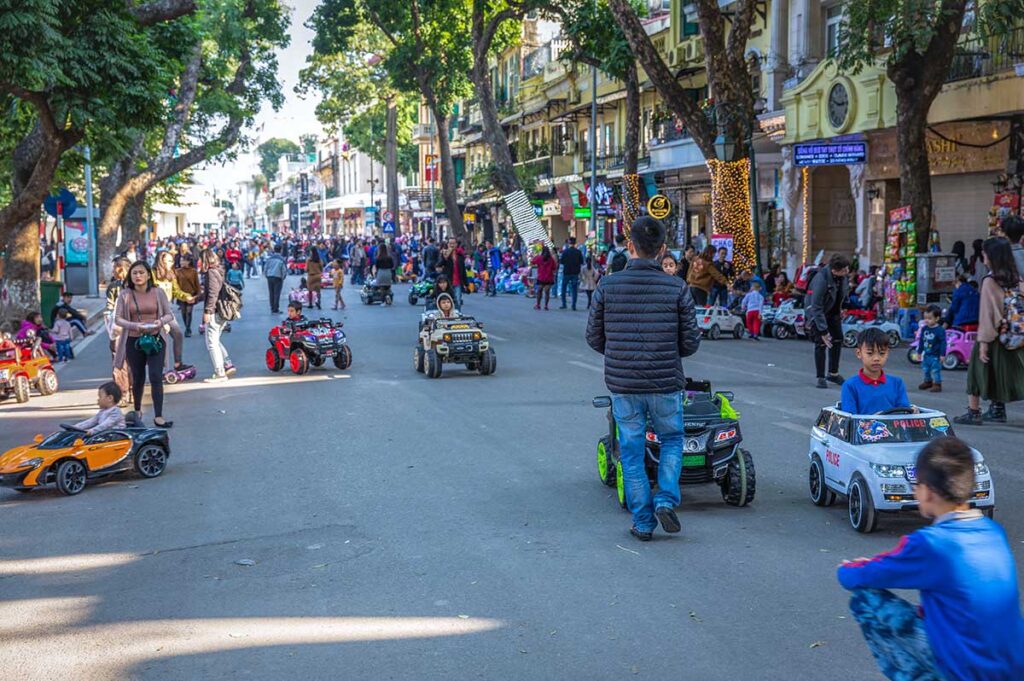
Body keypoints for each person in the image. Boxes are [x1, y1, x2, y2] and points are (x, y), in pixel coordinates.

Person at [837, 437, 1024, 681]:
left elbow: (858, 576)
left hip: (966, 670)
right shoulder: (993, 531)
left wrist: (848, 568)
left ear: (927, 491)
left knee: (865, 598)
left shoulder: (931, 544)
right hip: (1014, 666)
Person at [585, 216, 700, 541]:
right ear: (662, 249)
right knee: (673, 441)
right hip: (665, 383)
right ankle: (665, 498)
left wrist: (619, 352)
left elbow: (594, 337)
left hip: (624, 385)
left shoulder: (608, 285)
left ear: (629, 246)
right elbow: (690, 343)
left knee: (632, 451)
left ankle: (644, 522)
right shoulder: (677, 287)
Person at [955, 236, 1024, 425]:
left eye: (985, 252)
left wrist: (983, 342)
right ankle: (997, 409)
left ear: (991, 256)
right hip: (1014, 335)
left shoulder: (990, 281)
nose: (983, 255)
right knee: (1010, 373)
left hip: (992, 335)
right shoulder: (1016, 279)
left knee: (977, 373)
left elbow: (987, 314)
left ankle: (974, 412)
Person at [114, 261, 174, 428]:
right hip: (134, 341)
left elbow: (169, 314)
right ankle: (138, 411)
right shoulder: (125, 294)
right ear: (130, 276)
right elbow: (117, 318)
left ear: (149, 275)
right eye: (134, 273)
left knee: (155, 376)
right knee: (138, 377)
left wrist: (159, 322)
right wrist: (135, 326)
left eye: (141, 273)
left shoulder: (158, 292)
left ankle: (159, 416)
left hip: (155, 339)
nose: (138, 276)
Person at [840, 327, 910, 414]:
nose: (876, 358)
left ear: (887, 353)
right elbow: (850, 418)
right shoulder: (850, 386)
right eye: (870, 353)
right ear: (859, 353)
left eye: (882, 353)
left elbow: (904, 412)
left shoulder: (897, 383)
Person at [807, 254, 852, 389]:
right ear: (834, 270)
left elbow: (844, 292)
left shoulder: (842, 277)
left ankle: (833, 373)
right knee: (821, 343)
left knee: (837, 340)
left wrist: (844, 306)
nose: (847, 272)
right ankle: (820, 376)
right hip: (819, 314)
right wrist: (823, 330)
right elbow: (816, 306)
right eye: (844, 270)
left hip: (834, 313)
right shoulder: (821, 279)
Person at [153, 250, 194, 374]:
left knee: (178, 334)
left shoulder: (171, 274)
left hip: (167, 310)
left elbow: (176, 291)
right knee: (161, 339)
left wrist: (186, 296)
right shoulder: (152, 274)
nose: (172, 263)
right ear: (161, 260)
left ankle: (178, 363)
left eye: (172, 261)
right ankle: (160, 369)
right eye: (169, 261)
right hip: (155, 311)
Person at [200, 249, 234, 383]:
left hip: (215, 311)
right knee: (215, 339)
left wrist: (208, 312)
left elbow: (213, 293)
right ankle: (227, 363)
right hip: (221, 310)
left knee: (211, 343)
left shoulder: (211, 273)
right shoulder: (219, 270)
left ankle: (220, 373)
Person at [917, 304, 946, 392]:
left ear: (937, 319)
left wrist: (942, 354)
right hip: (926, 354)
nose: (927, 320)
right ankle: (928, 381)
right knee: (926, 369)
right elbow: (921, 340)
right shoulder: (924, 328)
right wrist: (919, 352)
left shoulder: (940, 330)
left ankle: (937, 384)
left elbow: (943, 343)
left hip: (935, 355)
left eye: (929, 318)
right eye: (925, 318)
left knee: (935, 370)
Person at [174, 253, 200, 337]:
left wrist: (198, 294)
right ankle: (186, 326)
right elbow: (175, 284)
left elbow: (197, 284)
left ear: (188, 261)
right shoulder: (177, 271)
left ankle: (188, 329)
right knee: (183, 312)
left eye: (183, 260)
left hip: (191, 294)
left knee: (189, 312)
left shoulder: (194, 271)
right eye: (181, 260)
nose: (181, 262)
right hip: (181, 295)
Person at [559, 237, 584, 310]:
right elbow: (581, 262)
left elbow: (562, 262)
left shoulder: (565, 252)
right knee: (574, 289)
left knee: (563, 288)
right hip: (575, 272)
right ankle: (573, 305)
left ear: (569, 243)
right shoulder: (578, 252)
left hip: (567, 272)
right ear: (575, 243)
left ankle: (564, 304)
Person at [441, 238, 467, 307]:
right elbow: (439, 264)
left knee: (458, 300)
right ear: (448, 244)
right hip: (447, 282)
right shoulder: (444, 254)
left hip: (457, 282)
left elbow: (463, 270)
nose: (452, 245)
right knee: (447, 301)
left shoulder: (460, 256)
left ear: (456, 244)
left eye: (453, 243)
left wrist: (466, 283)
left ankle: (457, 314)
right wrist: (446, 257)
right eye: (450, 243)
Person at [531, 245, 558, 310]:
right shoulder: (551, 259)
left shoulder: (539, 258)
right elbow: (554, 267)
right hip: (549, 277)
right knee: (547, 292)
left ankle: (538, 305)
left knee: (539, 291)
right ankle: (546, 305)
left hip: (541, 277)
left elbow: (532, 261)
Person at [264, 244, 287, 314]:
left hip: (270, 276)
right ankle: (276, 308)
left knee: (271, 292)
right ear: (281, 250)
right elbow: (283, 270)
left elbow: (265, 268)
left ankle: (272, 307)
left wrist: (266, 275)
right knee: (277, 293)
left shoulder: (270, 258)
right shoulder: (281, 259)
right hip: (278, 277)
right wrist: (283, 277)